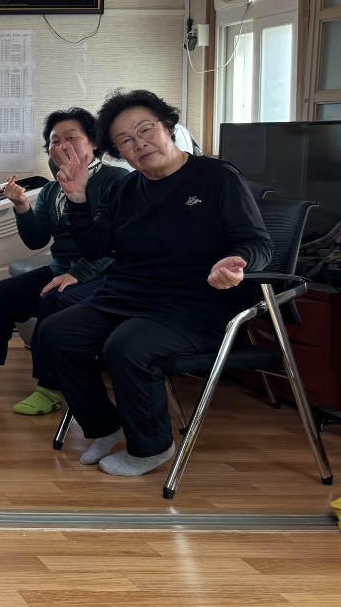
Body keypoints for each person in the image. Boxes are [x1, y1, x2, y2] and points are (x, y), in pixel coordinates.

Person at [36, 89, 271, 477]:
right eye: (125, 140)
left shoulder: (217, 178)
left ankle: (152, 447)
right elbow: (96, 247)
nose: (139, 143)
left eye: (146, 130)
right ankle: (105, 426)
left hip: (194, 304)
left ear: (169, 127)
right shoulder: (124, 189)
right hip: (128, 295)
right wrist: (77, 198)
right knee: (56, 332)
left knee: (127, 345)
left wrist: (239, 261)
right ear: (118, 152)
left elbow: (258, 243)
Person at [0, 107, 129, 415]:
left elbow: (115, 244)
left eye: (71, 138)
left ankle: (50, 387)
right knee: (0, 294)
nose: (62, 146)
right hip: (61, 270)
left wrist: (79, 274)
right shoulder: (52, 189)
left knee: (52, 300)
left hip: (104, 273)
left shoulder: (116, 179)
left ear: (94, 142)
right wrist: (20, 205)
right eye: (55, 141)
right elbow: (36, 240)